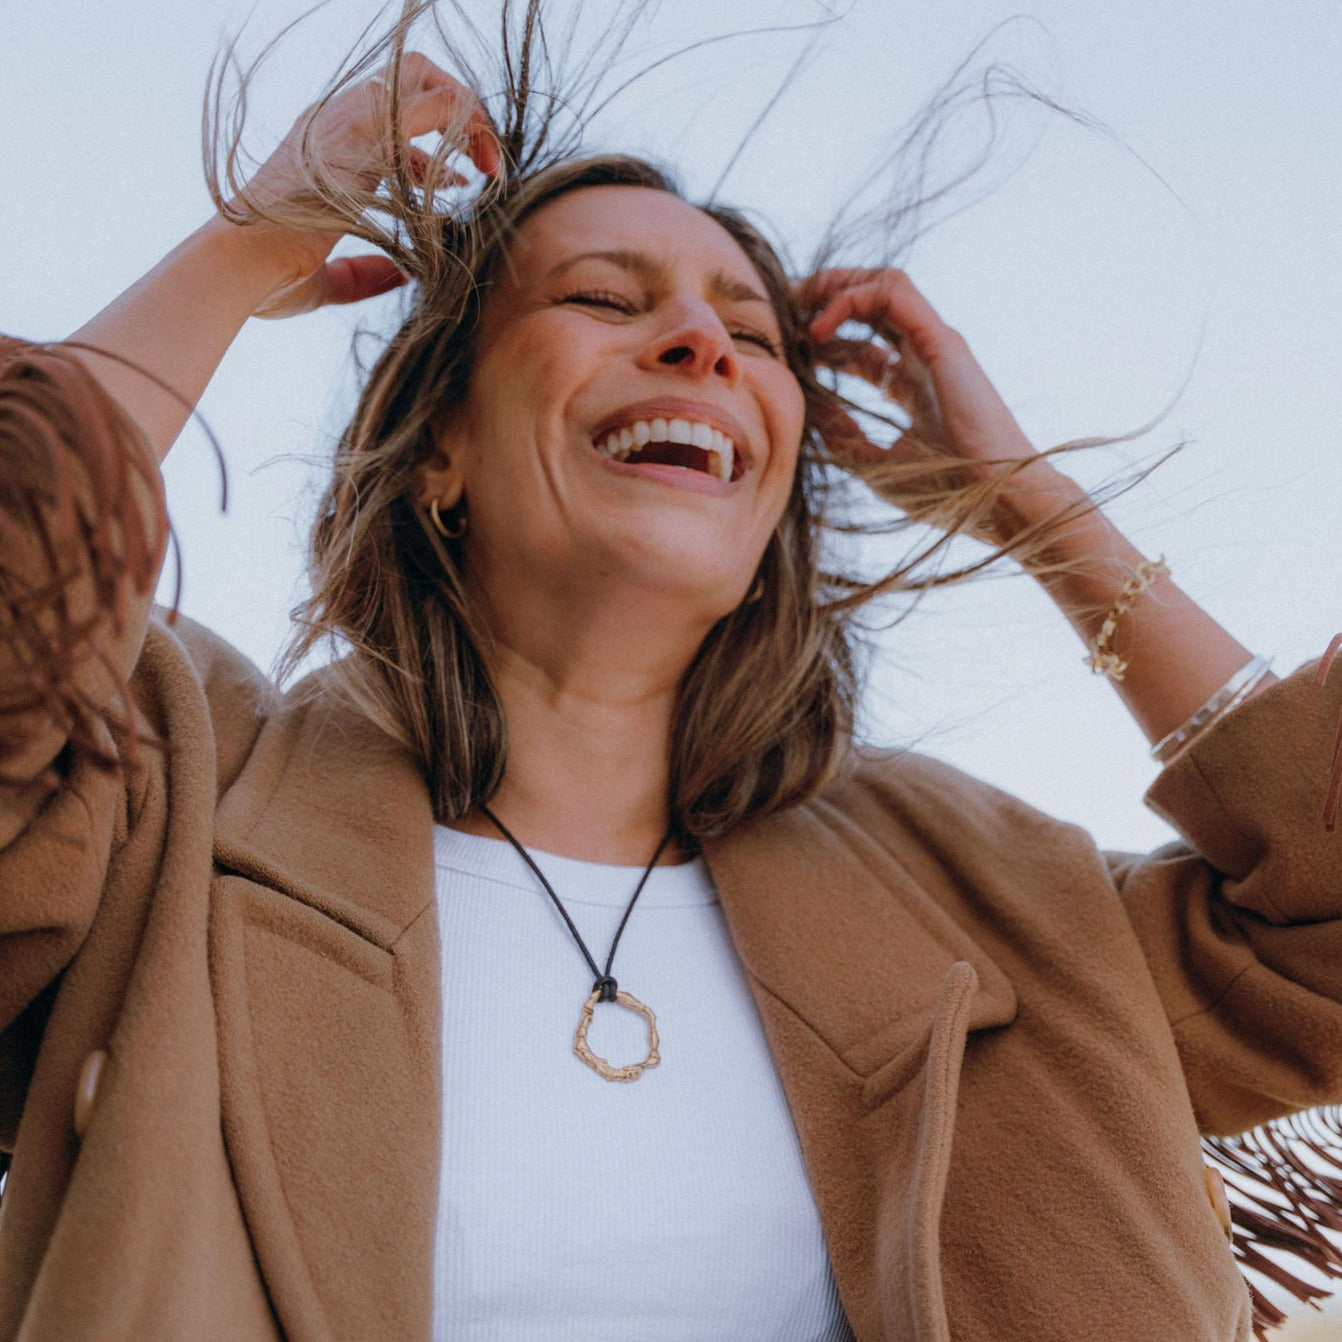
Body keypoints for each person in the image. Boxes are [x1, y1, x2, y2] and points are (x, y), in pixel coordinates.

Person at [2, 7, 1341, 1339]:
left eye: (752, 337)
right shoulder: (178, 803)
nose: (702, 345)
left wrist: (1031, 512)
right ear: (436, 450)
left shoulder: (988, 900)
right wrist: (250, 246)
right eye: (600, 298)